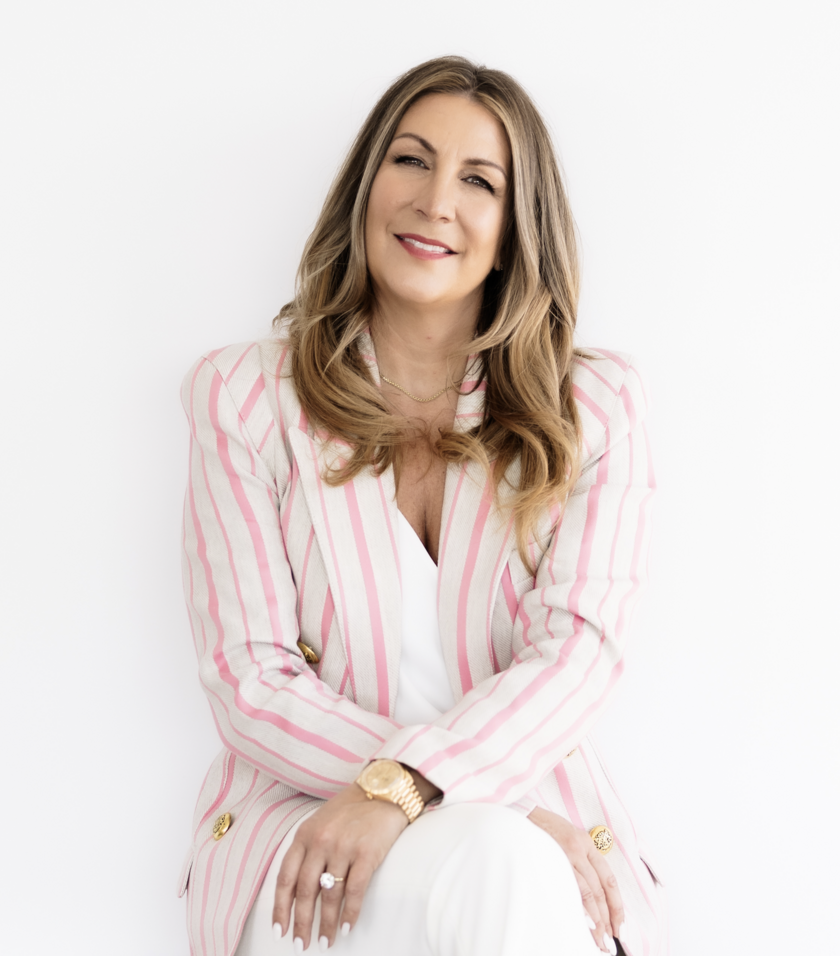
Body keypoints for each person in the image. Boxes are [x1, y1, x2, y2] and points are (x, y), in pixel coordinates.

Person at [177, 56, 666, 956]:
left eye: (479, 180)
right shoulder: (245, 400)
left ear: (518, 225)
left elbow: (582, 655)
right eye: (410, 160)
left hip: (526, 837)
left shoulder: (593, 410)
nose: (436, 201)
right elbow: (249, 679)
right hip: (310, 838)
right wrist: (453, 803)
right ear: (366, 186)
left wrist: (418, 790)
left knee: (500, 864)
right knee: (499, 860)